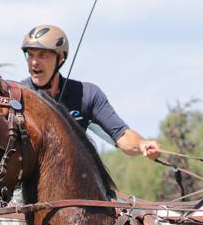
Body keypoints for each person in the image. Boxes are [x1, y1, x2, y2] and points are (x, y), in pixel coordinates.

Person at [20, 24, 161, 158]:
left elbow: (121, 135)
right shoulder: (16, 96)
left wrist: (142, 145)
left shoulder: (87, 95)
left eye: (42, 55)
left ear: (61, 58)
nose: (34, 62)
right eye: (30, 55)